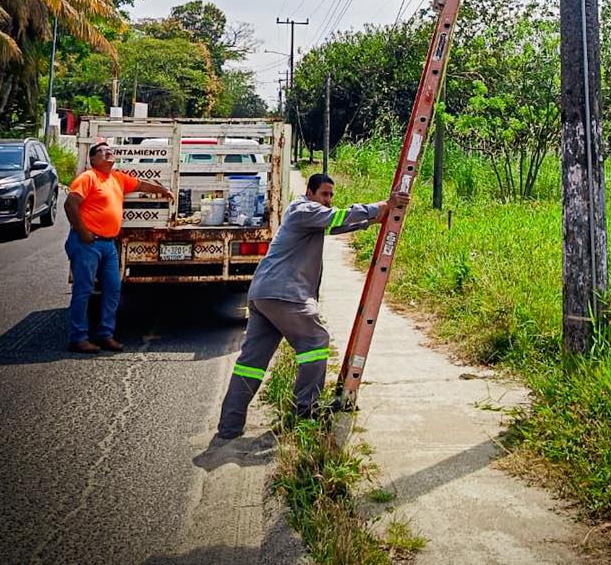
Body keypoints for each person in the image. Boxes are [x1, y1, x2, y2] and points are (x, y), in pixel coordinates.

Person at [215, 172, 411, 438]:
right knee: (316, 343)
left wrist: (377, 215)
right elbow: (336, 217)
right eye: (324, 194)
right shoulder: (302, 209)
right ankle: (305, 412)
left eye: (331, 195)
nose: (328, 200)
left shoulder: (308, 216)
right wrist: (381, 206)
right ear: (309, 192)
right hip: (285, 295)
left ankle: (229, 428)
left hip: (264, 294)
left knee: (251, 363)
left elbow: (339, 224)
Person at [63, 140, 173, 354]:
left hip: (108, 244)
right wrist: (83, 232)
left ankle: (106, 335)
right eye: (102, 151)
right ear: (93, 159)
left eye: (110, 150)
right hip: (88, 243)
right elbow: (70, 203)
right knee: (83, 290)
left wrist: (162, 190)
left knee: (113, 289)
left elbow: (141, 185)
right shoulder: (88, 177)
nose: (107, 153)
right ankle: (78, 338)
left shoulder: (117, 178)